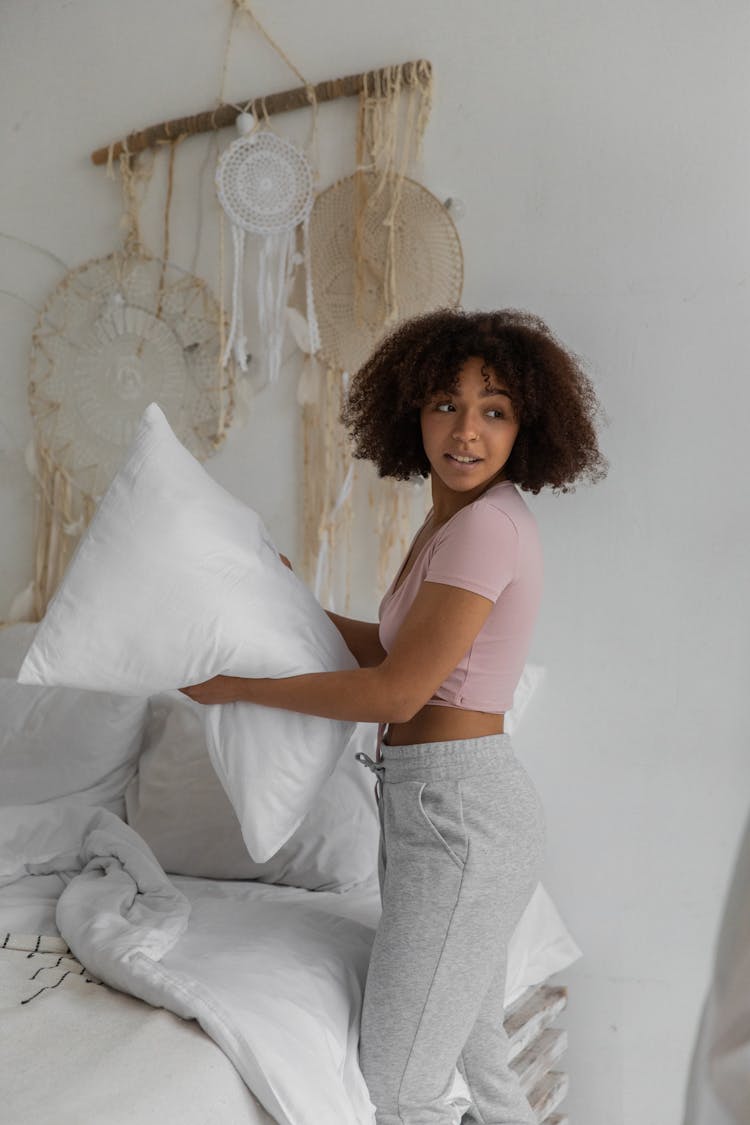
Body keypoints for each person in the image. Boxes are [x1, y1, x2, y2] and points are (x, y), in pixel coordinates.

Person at [180, 307, 607, 1125]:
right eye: (446, 404)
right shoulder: (453, 521)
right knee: (478, 1056)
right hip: (436, 809)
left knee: (403, 1086)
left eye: (496, 410)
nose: (466, 432)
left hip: (459, 817)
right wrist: (282, 599)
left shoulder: (486, 528)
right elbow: (386, 647)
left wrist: (236, 684)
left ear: (529, 424)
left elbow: (396, 693)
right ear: (411, 409)